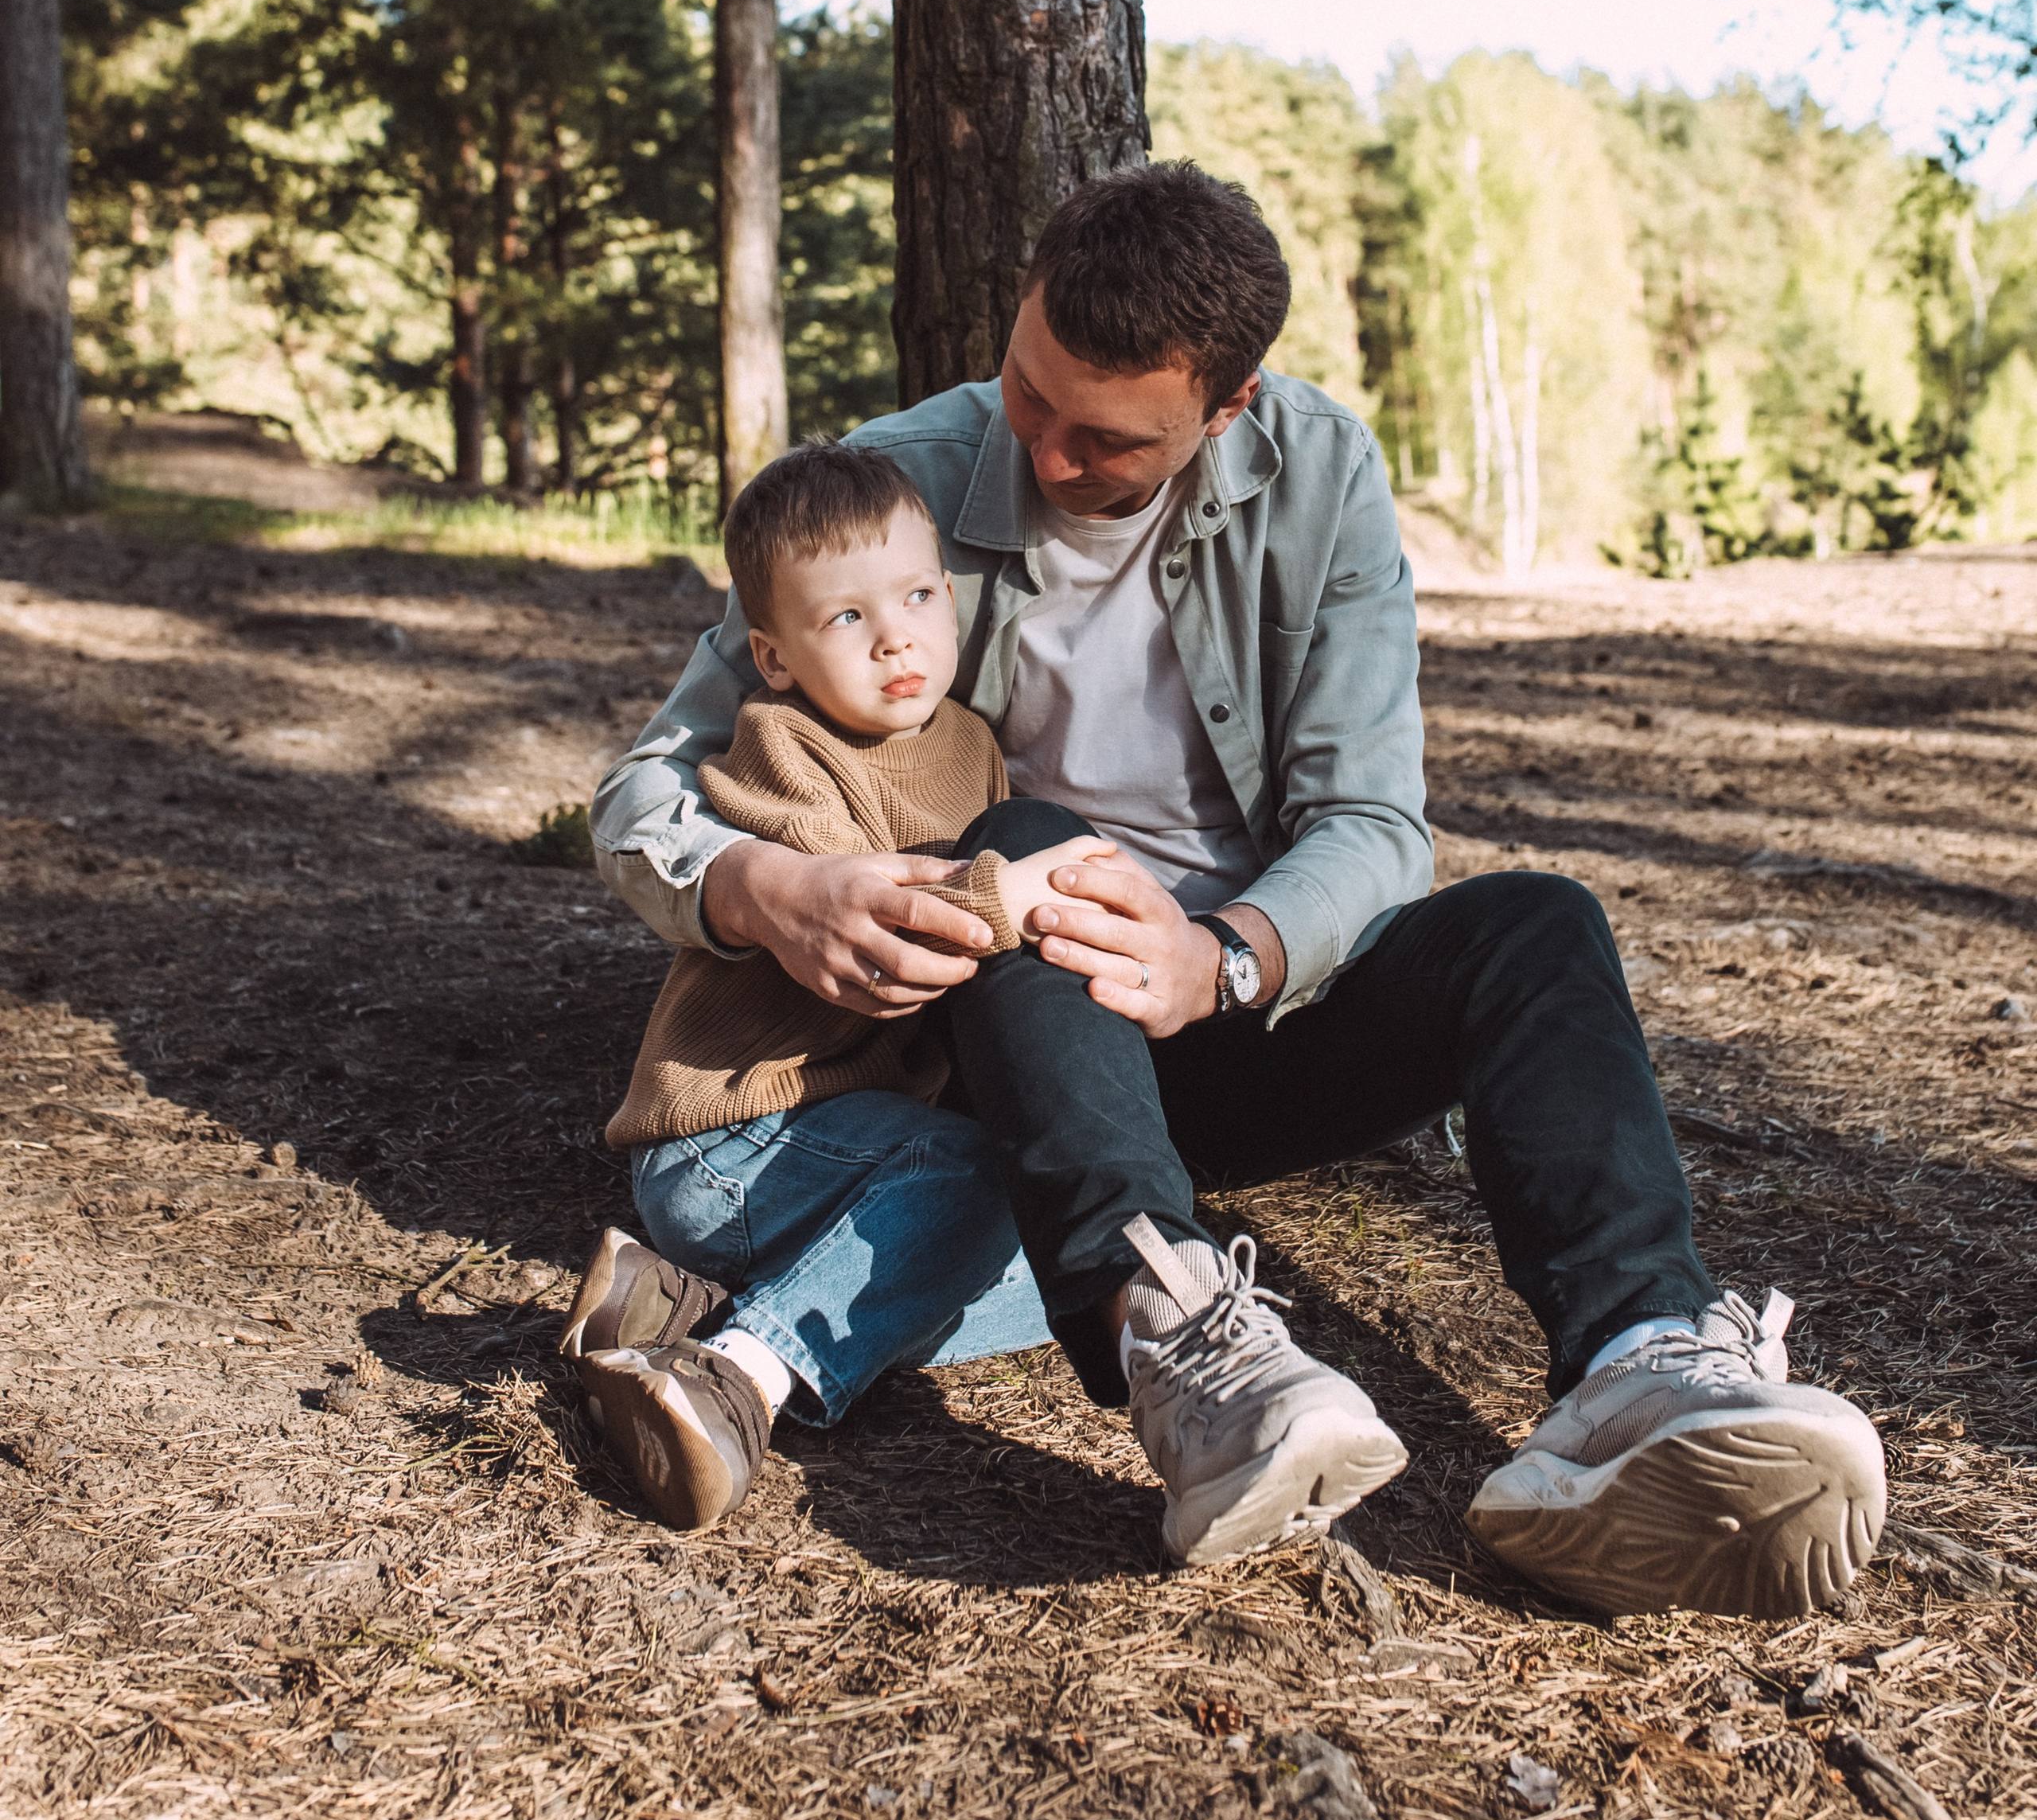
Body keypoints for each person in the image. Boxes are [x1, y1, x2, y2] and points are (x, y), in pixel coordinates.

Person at [581, 162, 1886, 1613]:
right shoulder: (895, 483)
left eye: (1108, 442)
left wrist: (1227, 955)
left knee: (1541, 929)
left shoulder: (1323, 476)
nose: (1048, 455)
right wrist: (764, 889)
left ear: (1229, 406)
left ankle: (1640, 1376)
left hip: (1231, 1008)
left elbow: (1377, 825)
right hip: (1022, 1032)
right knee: (1022, 839)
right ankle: (1181, 1343)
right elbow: (646, 788)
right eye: (1029, 396)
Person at [567, 436, 1133, 1526]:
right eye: (847, 620)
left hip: (864, 1142)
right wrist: (1023, 896)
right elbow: (874, 929)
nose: (899, 640)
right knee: (977, 1181)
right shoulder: (780, 746)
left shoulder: (971, 746)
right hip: (739, 1140)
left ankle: (680, 1316)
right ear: (775, 657)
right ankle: (742, 1377)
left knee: (1063, 1258)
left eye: (920, 596)